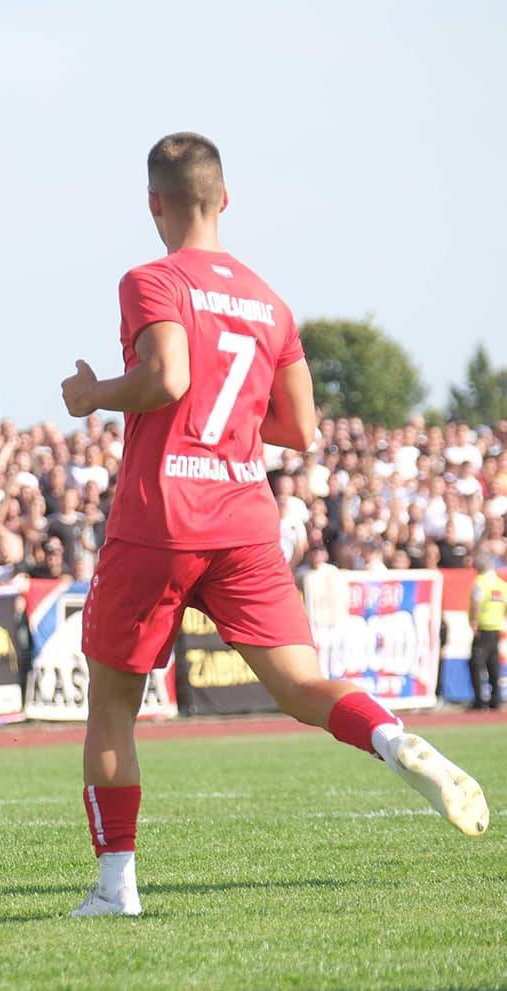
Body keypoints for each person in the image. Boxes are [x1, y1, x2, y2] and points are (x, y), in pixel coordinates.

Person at [58, 132, 487, 918]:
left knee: (114, 702)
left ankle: (116, 887)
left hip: (162, 514)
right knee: (301, 686)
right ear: (225, 199)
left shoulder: (150, 278)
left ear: (154, 203)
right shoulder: (269, 301)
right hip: (245, 516)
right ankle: (392, 739)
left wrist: (93, 397)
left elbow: (168, 378)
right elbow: (303, 429)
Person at [467, 556, 507, 710]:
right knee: (493, 664)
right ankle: (495, 699)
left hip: (483, 628)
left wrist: (474, 622)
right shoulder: (501, 584)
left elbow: (476, 602)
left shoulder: (480, 582)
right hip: (496, 627)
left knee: (476, 664)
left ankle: (479, 701)